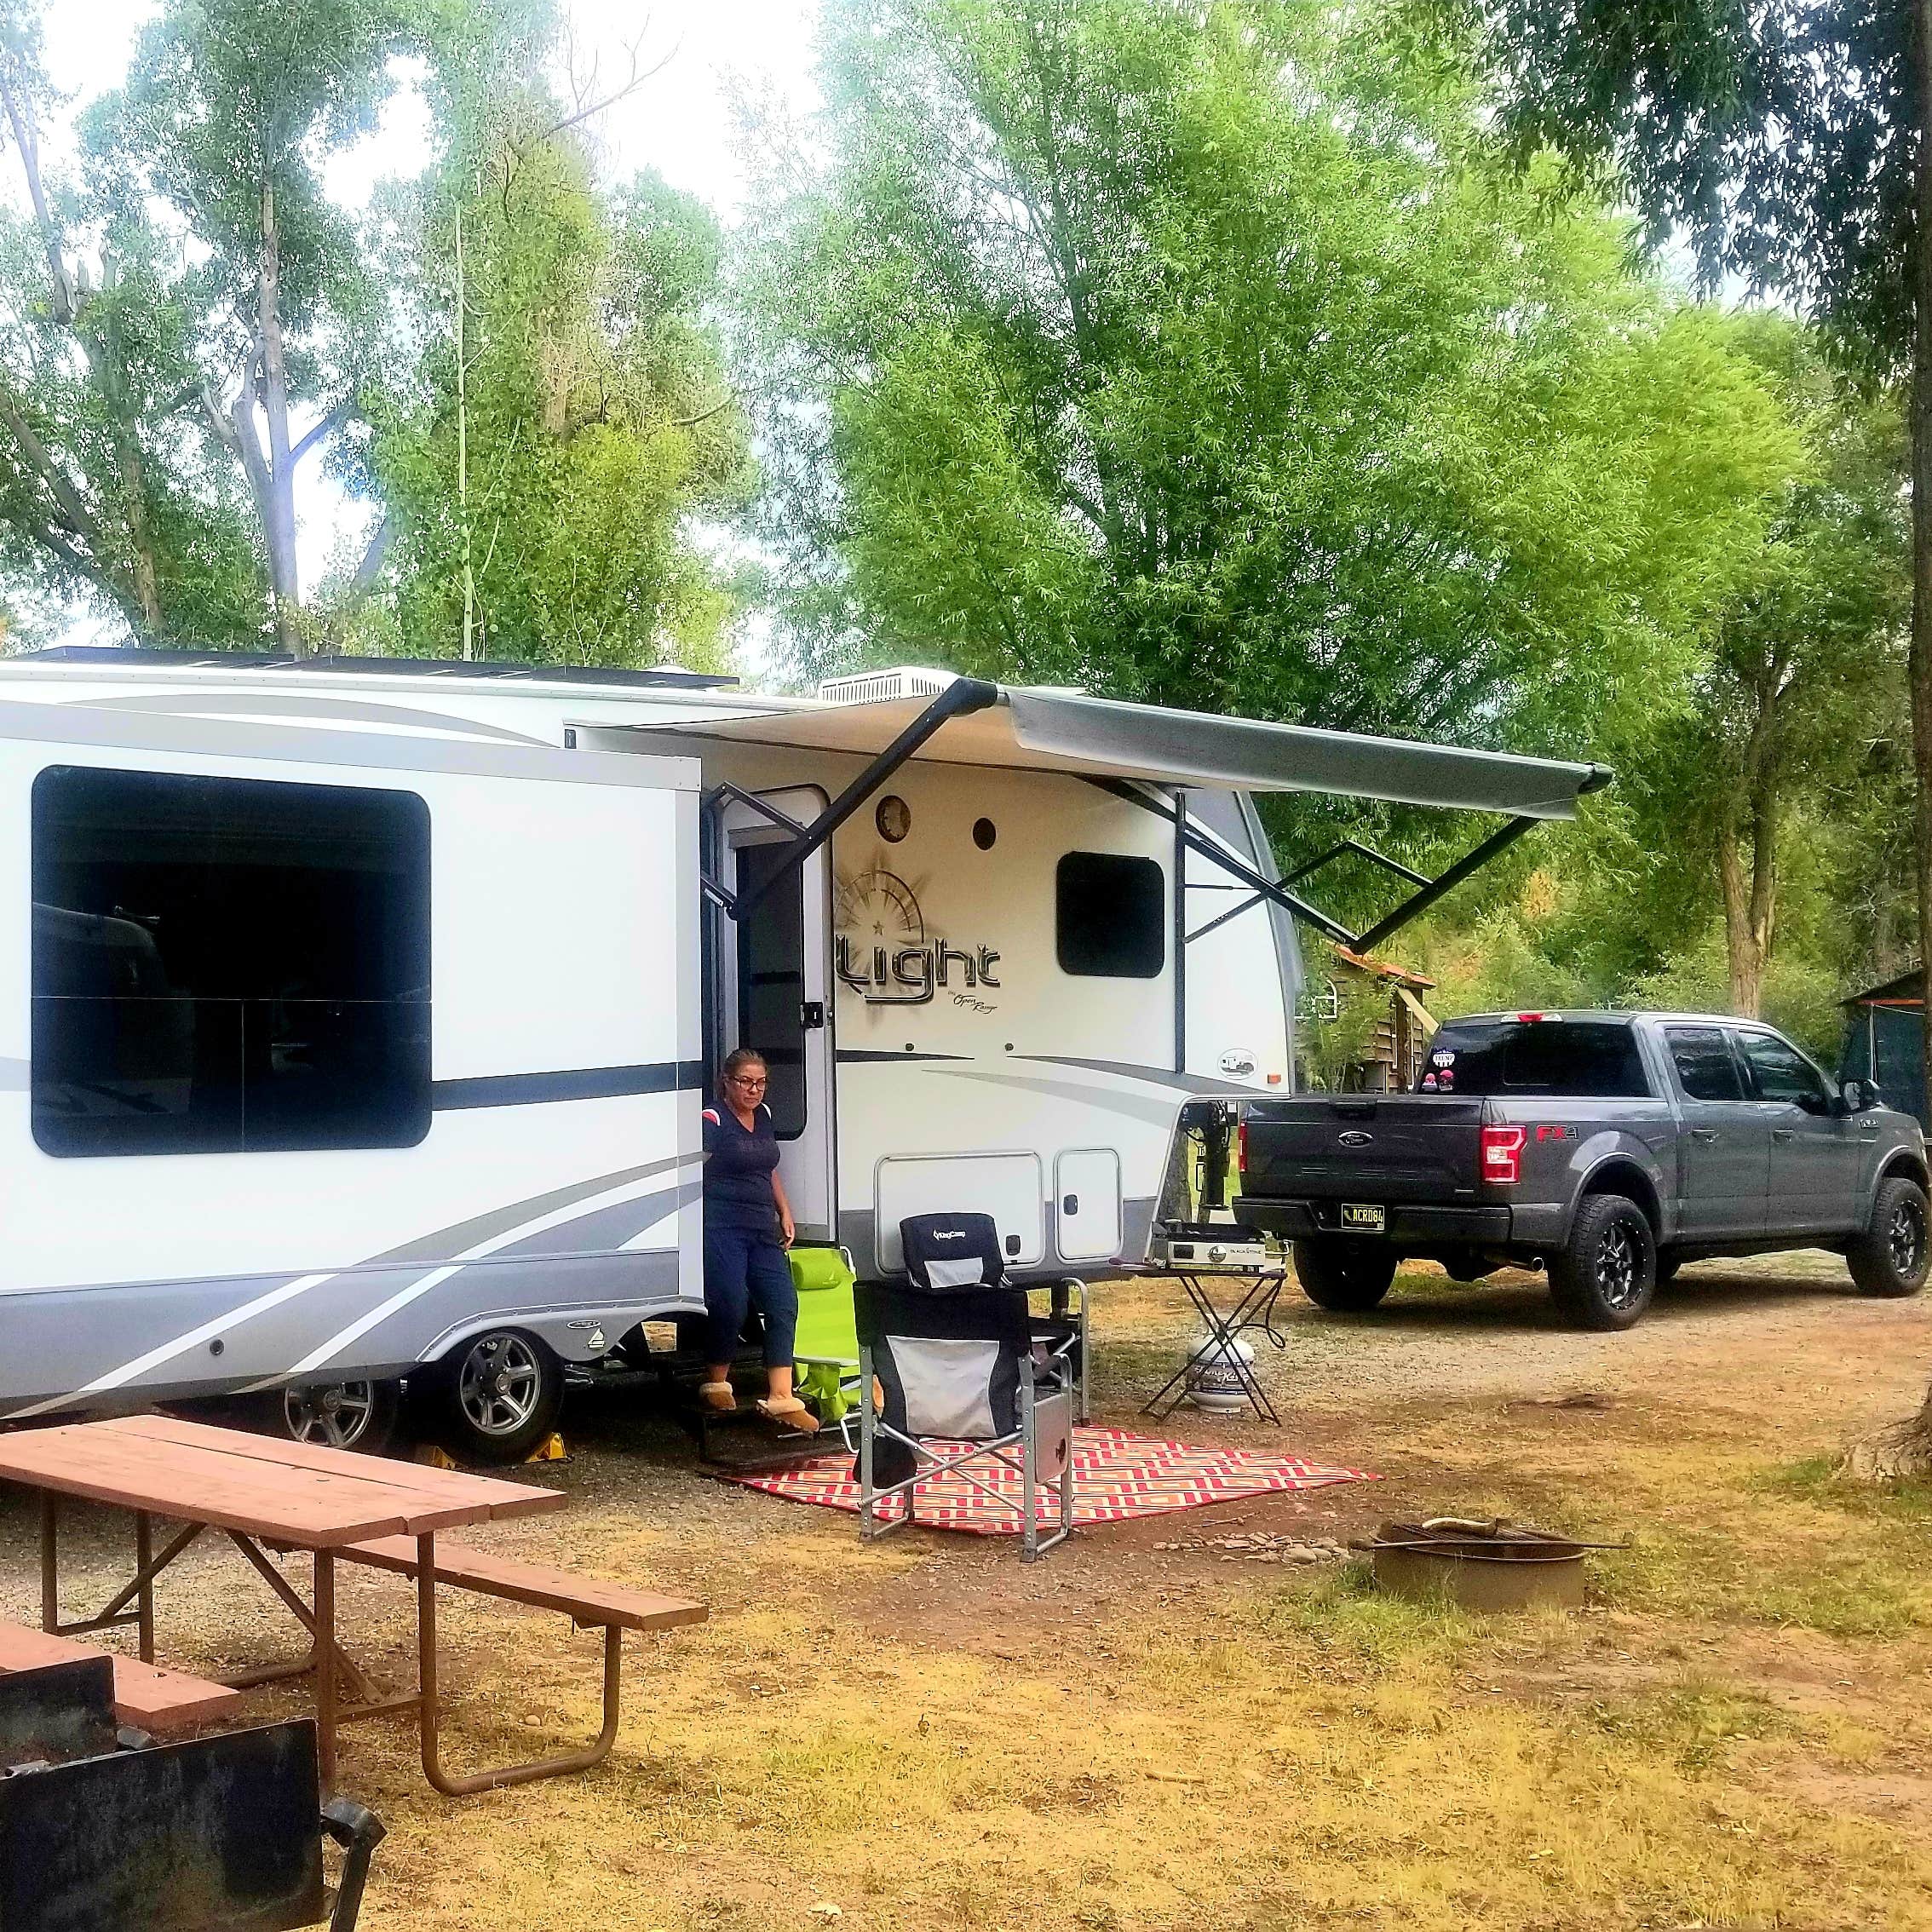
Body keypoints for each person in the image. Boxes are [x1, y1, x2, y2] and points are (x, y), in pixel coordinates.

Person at [699, 1047, 818, 1431]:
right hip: (723, 1225)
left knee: (783, 1304)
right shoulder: (713, 1119)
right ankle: (717, 1381)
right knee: (731, 1304)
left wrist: (785, 1210)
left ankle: (781, 1396)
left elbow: (769, 1169)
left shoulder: (764, 1116)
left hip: (763, 1226)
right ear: (727, 1082)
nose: (754, 1090)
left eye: (761, 1082)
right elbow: (691, 1172)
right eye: (746, 1082)